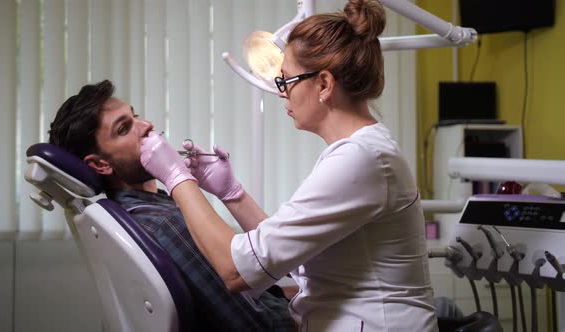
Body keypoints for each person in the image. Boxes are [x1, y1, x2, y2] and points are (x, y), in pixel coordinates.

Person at [139, 0, 439, 331]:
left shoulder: (360, 160)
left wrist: (176, 177)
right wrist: (232, 193)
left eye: (286, 82)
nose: (283, 94)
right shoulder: (357, 152)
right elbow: (291, 256)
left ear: (324, 84)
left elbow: (235, 270)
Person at [48, 80, 296, 331]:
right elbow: (258, 326)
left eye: (136, 116)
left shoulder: (148, 210)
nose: (147, 126)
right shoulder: (162, 224)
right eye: (124, 128)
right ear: (101, 165)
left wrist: (232, 193)